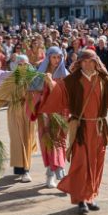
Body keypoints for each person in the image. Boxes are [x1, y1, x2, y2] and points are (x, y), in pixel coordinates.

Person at [40, 48, 108, 215]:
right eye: (84, 61)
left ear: (96, 63)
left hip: (99, 129)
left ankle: (91, 196)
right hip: (81, 128)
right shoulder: (72, 80)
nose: (87, 65)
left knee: (96, 163)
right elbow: (60, 91)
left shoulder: (103, 79)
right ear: (79, 63)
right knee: (81, 163)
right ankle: (81, 199)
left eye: (91, 61)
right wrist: (50, 84)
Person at [34, 47, 69, 187]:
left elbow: (66, 94)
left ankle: (59, 165)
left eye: (58, 57)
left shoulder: (65, 74)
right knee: (47, 141)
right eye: (53, 57)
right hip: (45, 113)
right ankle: (51, 173)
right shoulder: (40, 74)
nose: (56, 60)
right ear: (48, 57)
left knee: (60, 139)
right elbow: (34, 93)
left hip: (61, 112)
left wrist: (52, 83)